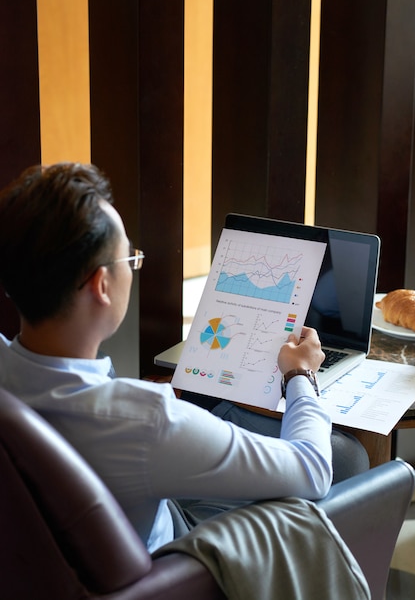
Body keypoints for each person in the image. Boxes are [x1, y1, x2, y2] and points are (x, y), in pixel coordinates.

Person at [0, 163, 360, 553]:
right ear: (101, 285)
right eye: (129, 259)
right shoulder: (146, 421)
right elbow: (312, 470)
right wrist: (300, 375)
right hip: (172, 565)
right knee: (345, 457)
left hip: (69, 553)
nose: (132, 269)